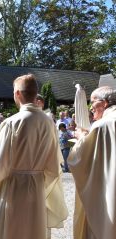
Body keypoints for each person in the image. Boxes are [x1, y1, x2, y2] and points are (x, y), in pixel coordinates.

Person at [0, 74, 68, 239]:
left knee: (11, 231)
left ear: (17, 94)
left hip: (13, 188)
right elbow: (54, 165)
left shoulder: (11, 123)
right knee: (33, 231)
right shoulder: (48, 122)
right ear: (35, 94)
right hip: (37, 187)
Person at [68, 86, 116, 238]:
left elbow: (79, 160)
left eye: (92, 103)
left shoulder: (103, 125)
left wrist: (81, 138)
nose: (90, 108)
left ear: (104, 103)